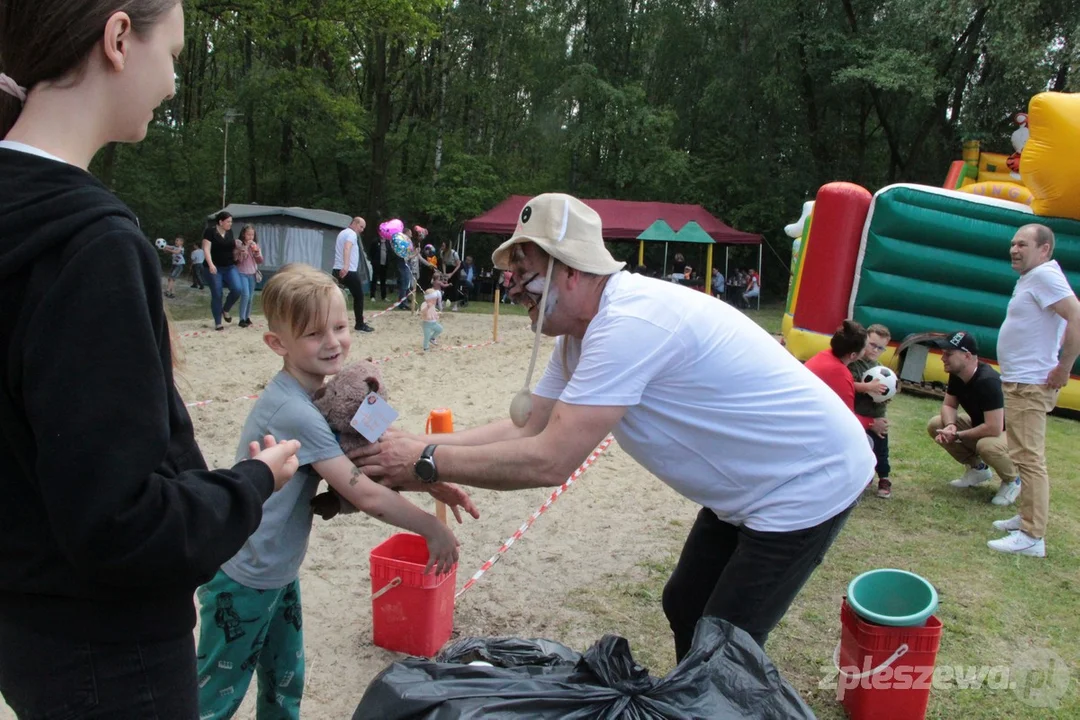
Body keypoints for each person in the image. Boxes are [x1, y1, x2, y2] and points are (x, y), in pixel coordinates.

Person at [352, 193, 874, 658]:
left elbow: (550, 459)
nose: (512, 287)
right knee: (686, 604)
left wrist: (422, 461)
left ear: (572, 271)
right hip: (754, 486)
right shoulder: (579, 332)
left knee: (725, 646)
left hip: (806, 481)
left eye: (526, 271)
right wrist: (418, 445)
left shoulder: (627, 324)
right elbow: (528, 428)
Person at [0, 2, 302, 716]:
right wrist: (253, 483)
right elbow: (120, 527)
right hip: (111, 648)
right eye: (172, 54)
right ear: (116, 39)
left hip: (27, 628)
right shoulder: (91, 244)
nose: (172, 82)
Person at [195, 264, 476, 719]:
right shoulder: (295, 411)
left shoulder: (330, 396)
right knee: (216, 697)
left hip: (278, 572)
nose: (333, 342)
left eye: (341, 327)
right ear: (277, 344)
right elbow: (362, 491)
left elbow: (387, 448)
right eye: (313, 334)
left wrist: (437, 485)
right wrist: (430, 529)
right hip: (243, 576)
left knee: (285, 684)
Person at [990, 224, 1080, 557]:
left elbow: (1076, 314)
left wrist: (1064, 366)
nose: (1014, 249)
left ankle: (1032, 536)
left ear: (1044, 250)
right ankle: (1026, 517)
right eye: (1013, 244)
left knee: (1029, 460)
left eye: (1023, 244)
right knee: (1022, 455)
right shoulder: (1031, 277)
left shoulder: (1045, 276)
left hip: (1031, 383)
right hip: (1019, 381)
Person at [925, 331, 1019, 506]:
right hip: (987, 425)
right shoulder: (957, 373)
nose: (942, 358)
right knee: (936, 424)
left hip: (1013, 431)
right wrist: (951, 426)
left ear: (967, 356)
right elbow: (949, 405)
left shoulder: (987, 381)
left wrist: (958, 436)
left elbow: (994, 428)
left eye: (949, 354)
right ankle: (978, 469)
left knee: (987, 446)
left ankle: (1013, 480)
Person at [804, 321, 887, 448]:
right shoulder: (840, 374)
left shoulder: (824, 355)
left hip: (808, 419)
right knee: (866, 444)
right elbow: (847, 422)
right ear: (853, 355)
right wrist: (872, 423)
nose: (868, 351)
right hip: (809, 429)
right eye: (866, 347)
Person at [850, 324, 895, 498]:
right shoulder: (855, 364)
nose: (875, 350)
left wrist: (888, 393)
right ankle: (865, 476)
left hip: (877, 414)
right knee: (860, 447)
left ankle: (884, 477)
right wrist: (868, 386)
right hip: (858, 413)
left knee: (881, 448)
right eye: (872, 344)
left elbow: (888, 387)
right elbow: (849, 385)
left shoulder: (882, 368)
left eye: (880, 347)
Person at [203, 210, 244, 331]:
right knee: (217, 293)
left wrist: (239, 251)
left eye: (231, 221)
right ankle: (218, 322)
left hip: (229, 266)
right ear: (220, 222)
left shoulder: (229, 232)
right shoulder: (210, 232)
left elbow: (231, 249)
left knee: (237, 289)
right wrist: (211, 265)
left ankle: (225, 309)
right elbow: (206, 249)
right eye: (228, 221)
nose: (230, 224)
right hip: (214, 267)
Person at [333, 216, 374, 332]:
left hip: (336, 269)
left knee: (334, 298)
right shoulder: (351, 234)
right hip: (348, 270)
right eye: (361, 227)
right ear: (355, 223)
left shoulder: (342, 233)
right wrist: (346, 266)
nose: (362, 230)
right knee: (359, 296)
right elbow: (347, 248)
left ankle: (333, 323)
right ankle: (359, 324)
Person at [234, 224, 263, 327]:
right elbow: (239, 260)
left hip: (252, 273)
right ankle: (241, 319)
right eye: (248, 234)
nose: (251, 237)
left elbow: (260, 261)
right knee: (245, 295)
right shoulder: (239, 243)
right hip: (242, 273)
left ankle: (247, 317)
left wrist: (256, 252)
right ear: (243, 234)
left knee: (251, 297)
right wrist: (246, 247)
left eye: (252, 234)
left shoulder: (256, 245)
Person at [369, 231, 392, 301]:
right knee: (374, 280)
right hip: (376, 264)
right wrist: (373, 261)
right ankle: (372, 296)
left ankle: (384, 296)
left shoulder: (387, 242)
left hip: (385, 264)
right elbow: (371, 252)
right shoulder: (375, 241)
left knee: (383, 280)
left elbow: (389, 252)